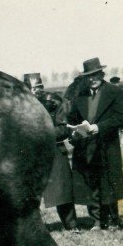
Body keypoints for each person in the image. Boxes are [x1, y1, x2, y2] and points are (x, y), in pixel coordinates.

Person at [68, 57, 123, 230]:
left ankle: (113, 219)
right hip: (86, 146)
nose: (92, 79)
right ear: (85, 78)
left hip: (106, 145)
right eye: (89, 76)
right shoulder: (80, 95)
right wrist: (75, 130)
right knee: (90, 183)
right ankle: (96, 220)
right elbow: (73, 119)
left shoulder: (114, 92)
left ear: (102, 74)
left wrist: (99, 127)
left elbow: (122, 118)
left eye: (95, 75)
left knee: (109, 182)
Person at [24, 73, 77, 230]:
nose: (36, 91)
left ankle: (71, 225)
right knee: (31, 194)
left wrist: (42, 132)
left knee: (62, 190)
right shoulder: (20, 105)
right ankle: (36, 227)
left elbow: (64, 128)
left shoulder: (54, 101)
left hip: (54, 150)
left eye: (39, 87)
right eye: (32, 88)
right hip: (30, 154)